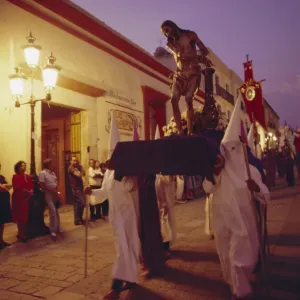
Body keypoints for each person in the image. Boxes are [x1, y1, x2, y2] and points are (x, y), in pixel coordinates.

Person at [203, 141, 270, 299]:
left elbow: (265, 194)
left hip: (243, 224)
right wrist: (215, 173)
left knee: (237, 259)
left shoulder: (250, 171)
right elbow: (207, 188)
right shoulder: (217, 171)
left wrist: (257, 188)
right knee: (226, 258)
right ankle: (235, 286)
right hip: (222, 221)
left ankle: (240, 291)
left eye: (234, 149)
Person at [92, 163, 140, 300]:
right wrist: (92, 192)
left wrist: (129, 176)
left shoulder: (125, 172)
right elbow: (105, 192)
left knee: (124, 250)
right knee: (124, 249)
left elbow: (130, 187)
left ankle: (115, 289)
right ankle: (131, 280)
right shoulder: (107, 173)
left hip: (126, 217)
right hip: (115, 218)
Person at [160, 20, 211, 135]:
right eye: (164, 33)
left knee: (189, 99)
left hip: (193, 73)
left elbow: (204, 51)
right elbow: (179, 59)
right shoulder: (170, 45)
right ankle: (180, 132)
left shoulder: (190, 35)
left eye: (167, 30)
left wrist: (200, 58)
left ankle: (190, 131)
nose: (167, 34)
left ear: (173, 26)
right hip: (179, 74)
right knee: (173, 99)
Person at [39, 158, 62, 241]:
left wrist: (57, 191)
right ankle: (52, 230)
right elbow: (41, 185)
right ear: (48, 164)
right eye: (51, 164)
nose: (53, 165)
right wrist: (50, 190)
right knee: (52, 210)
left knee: (56, 210)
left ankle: (58, 226)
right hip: (48, 194)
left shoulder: (53, 173)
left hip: (54, 193)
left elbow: (56, 183)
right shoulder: (43, 173)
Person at [155, 174, 177, 258]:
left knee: (165, 221)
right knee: (164, 221)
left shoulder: (166, 177)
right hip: (163, 203)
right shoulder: (161, 178)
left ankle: (165, 246)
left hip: (166, 203)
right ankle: (165, 247)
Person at [12, 161, 33, 242]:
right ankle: (21, 234)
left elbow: (30, 185)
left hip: (25, 198)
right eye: (21, 166)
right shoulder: (15, 176)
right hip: (18, 198)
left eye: (24, 165)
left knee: (25, 216)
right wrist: (28, 192)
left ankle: (21, 232)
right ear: (18, 167)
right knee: (20, 216)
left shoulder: (27, 176)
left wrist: (31, 191)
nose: (23, 167)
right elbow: (18, 187)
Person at [68, 156, 87, 225]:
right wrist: (80, 172)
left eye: (76, 160)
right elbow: (78, 175)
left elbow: (84, 173)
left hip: (80, 188)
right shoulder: (71, 168)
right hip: (75, 189)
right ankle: (77, 219)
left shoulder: (79, 167)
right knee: (82, 203)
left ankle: (79, 219)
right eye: (73, 160)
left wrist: (81, 166)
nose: (75, 162)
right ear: (71, 161)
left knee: (78, 204)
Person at [0, 163, 12, 249]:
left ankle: (1, 240)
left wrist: (4, 186)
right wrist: (4, 186)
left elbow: (10, 185)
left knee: (2, 222)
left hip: (3, 202)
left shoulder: (1, 177)